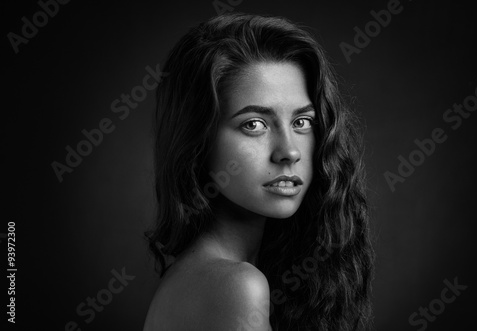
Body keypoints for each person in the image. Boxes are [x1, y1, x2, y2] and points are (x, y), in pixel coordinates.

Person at [143, 12, 374, 331]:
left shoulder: (214, 271)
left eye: (302, 122)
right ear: (197, 140)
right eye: (254, 125)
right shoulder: (235, 285)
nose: (289, 151)